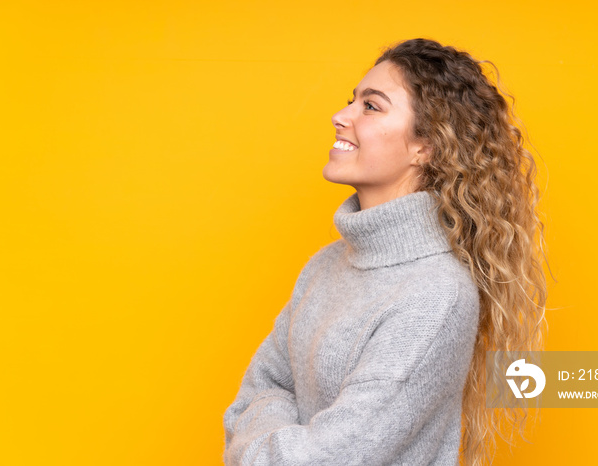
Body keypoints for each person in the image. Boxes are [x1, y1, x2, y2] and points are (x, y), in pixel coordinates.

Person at [223, 38, 547, 466]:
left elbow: (324, 460)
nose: (340, 117)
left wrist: (256, 446)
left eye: (371, 106)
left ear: (426, 146)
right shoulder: (324, 266)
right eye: (351, 101)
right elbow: (257, 393)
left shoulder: (437, 296)